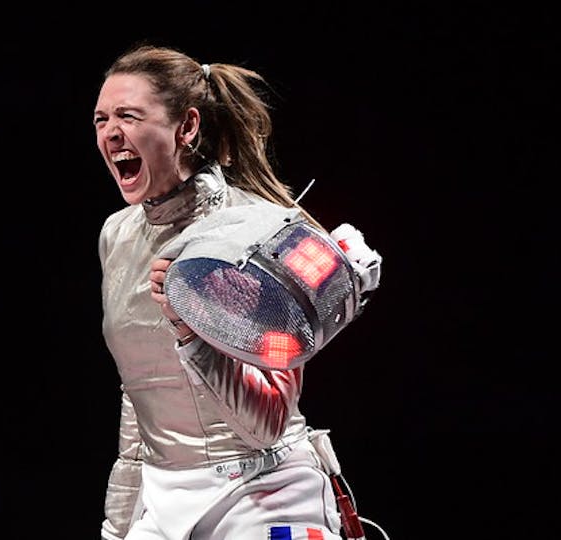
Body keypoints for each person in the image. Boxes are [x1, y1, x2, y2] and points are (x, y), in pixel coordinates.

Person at [92, 43, 382, 540]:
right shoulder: (116, 236)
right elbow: (139, 391)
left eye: (129, 115)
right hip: (162, 499)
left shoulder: (252, 234)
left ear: (186, 127)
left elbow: (267, 422)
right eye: (100, 119)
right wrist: (119, 524)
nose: (111, 132)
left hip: (261, 488)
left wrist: (193, 329)